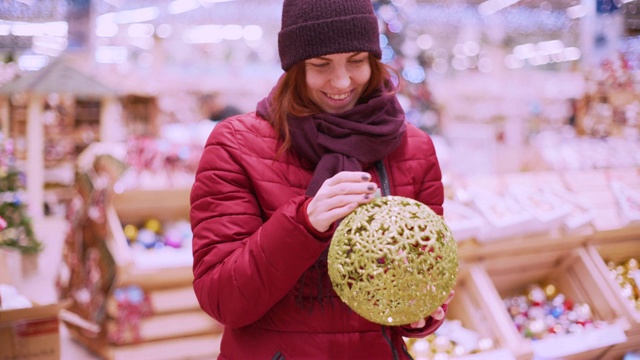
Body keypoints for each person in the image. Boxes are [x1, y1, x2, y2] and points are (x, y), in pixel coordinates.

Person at [190, 0, 453, 358]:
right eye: (321, 64)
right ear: (295, 66)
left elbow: (416, 280)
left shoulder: (413, 149)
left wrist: (421, 309)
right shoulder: (236, 145)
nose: (342, 81)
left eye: (357, 60)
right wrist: (304, 223)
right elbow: (223, 300)